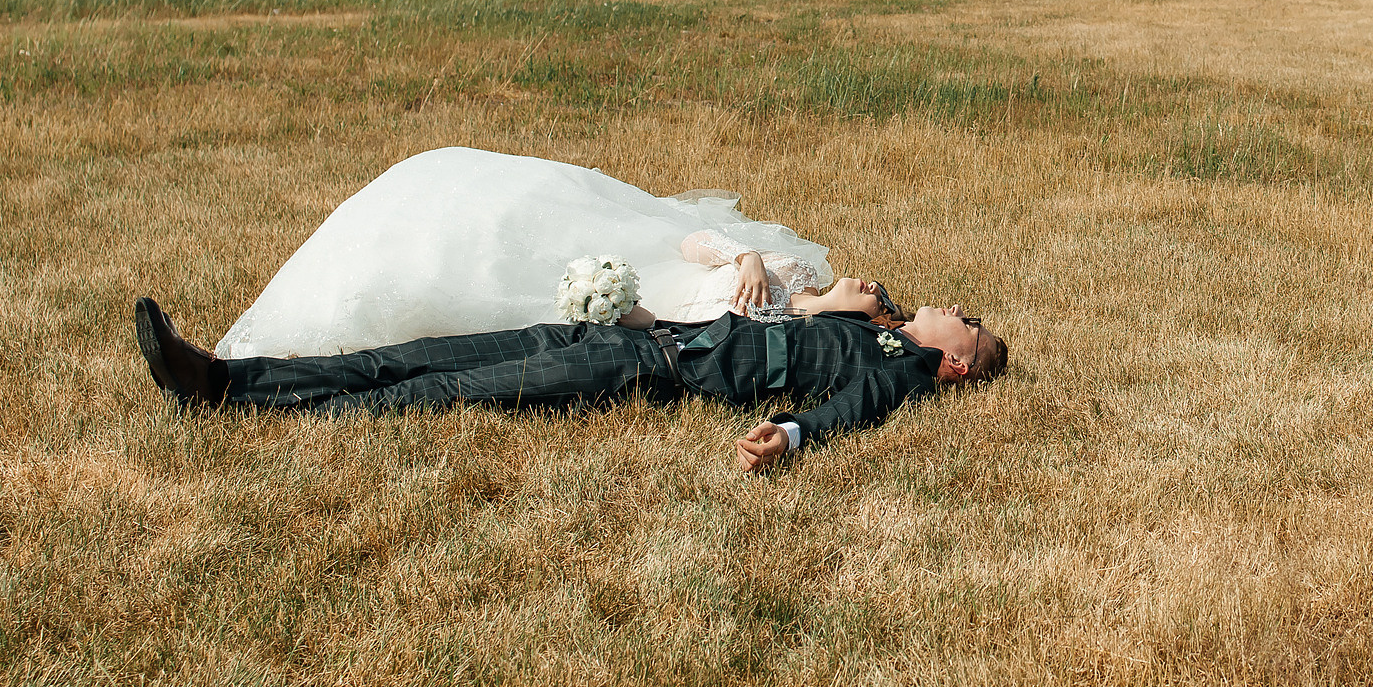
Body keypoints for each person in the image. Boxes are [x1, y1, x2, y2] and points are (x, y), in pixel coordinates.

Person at [134, 296, 1008, 473]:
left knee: (440, 394)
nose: (951, 306)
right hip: (625, 333)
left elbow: (850, 408)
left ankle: (232, 403)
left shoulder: (902, 374)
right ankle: (223, 373)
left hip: (642, 370)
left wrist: (791, 432)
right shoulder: (875, 324)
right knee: (419, 353)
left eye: (962, 319)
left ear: (957, 362)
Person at [211, 147, 866, 360]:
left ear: (852, 321)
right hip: (644, 252)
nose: (871, 284)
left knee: (475, 275)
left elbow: (679, 338)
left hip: (635, 305)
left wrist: (627, 311)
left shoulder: (779, 336)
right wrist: (744, 254)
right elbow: (687, 240)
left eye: (877, 299)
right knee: (517, 206)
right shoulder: (795, 272)